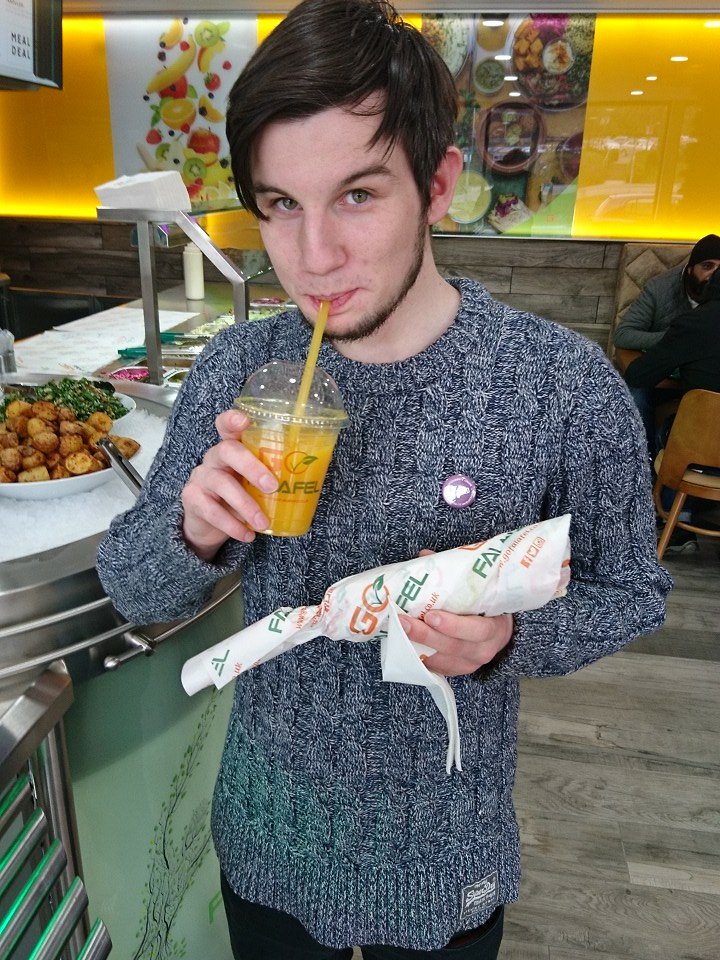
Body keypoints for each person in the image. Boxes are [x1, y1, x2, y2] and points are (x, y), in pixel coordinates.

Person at [95, 2, 672, 957]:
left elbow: (633, 592)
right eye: (282, 204)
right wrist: (192, 531)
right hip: (270, 836)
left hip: (447, 852)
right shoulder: (239, 369)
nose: (313, 258)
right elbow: (132, 588)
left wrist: (510, 638)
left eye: (358, 195)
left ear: (436, 185)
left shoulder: (559, 386)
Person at [625, 269, 720, 553]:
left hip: (700, 457)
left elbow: (639, 375)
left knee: (675, 429)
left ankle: (676, 519)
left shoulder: (696, 323)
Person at [613, 233, 720, 455]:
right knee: (634, 393)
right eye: (707, 266)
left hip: (700, 406)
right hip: (666, 381)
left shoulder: (698, 323)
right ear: (690, 268)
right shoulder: (661, 289)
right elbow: (623, 335)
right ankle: (642, 459)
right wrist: (672, 338)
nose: (713, 275)